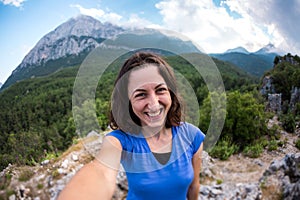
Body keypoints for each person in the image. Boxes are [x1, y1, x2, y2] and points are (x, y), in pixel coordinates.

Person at [58, 51, 205, 200]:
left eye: (160, 90)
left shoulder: (192, 136)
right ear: (128, 102)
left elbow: (194, 185)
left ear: (171, 93)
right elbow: (102, 172)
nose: (154, 104)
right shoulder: (121, 141)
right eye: (141, 94)